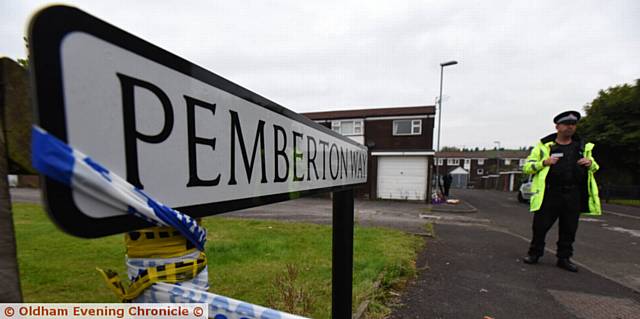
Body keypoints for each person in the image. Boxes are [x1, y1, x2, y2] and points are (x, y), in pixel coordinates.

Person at [522, 110, 601, 272]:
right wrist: (544, 162)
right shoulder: (545, 146)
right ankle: (534, 253)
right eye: (566, 124)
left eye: (573, 125)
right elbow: (527, 167)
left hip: (573, 194)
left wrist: (590, 163)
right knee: (540, 226)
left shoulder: (582, 147)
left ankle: (564, 258)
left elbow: (595, 167)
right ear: (557, 126)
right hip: (550, 192)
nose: (570, 127)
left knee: (569, 228)